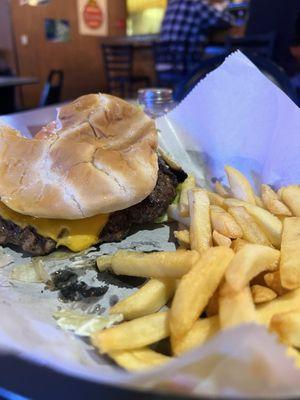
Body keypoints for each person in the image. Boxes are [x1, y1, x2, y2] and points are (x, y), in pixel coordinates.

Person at [160, 0, 235, 45]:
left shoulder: (174, 2)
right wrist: (219, 5)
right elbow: (226, 21)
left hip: (164, 64)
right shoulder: (196, 3)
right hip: (187, 65)